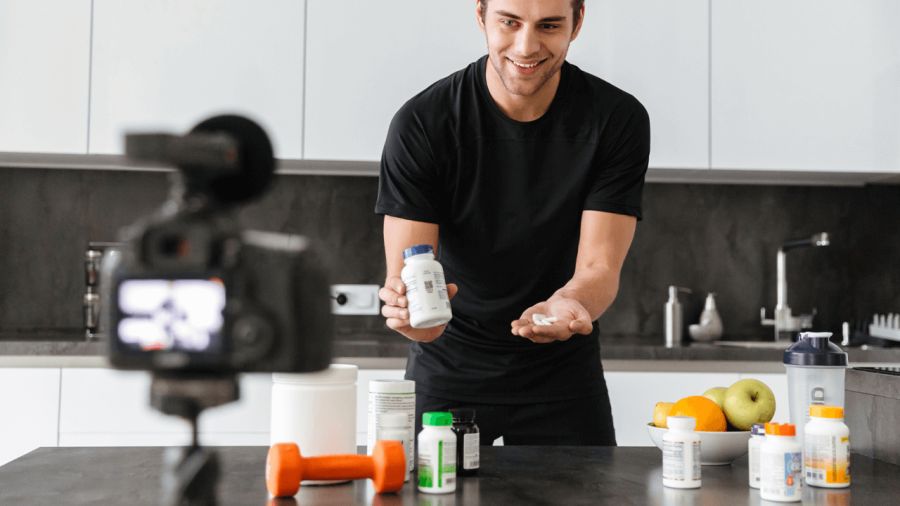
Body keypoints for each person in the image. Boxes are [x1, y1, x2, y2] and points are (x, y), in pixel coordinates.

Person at [375, 0, 650, 446]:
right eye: (509, 22)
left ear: (577, 22)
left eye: (549, 25)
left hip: (562, 370)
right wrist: (413, 317)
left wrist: (570, 302)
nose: (526, 46)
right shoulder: (423, 123)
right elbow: (410, 269)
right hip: (449, 368)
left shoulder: (615, 119)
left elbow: (599, 267)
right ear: (480, 15)